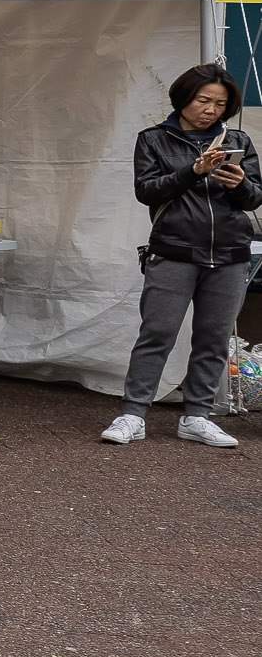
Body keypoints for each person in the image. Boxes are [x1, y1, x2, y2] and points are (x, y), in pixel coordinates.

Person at [105, 62, 259, 448]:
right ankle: (133, 414)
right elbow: (148, 191)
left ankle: (197, 416)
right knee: (157, 333)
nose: (211, 109)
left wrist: (239, 183)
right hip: (173, 251)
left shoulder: (237, 139)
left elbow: (256, 196)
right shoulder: (154, 139)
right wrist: (193, 170)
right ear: (183, 98)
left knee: (214, 337)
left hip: (230, 253)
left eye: (220, 103)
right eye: (203, 100)